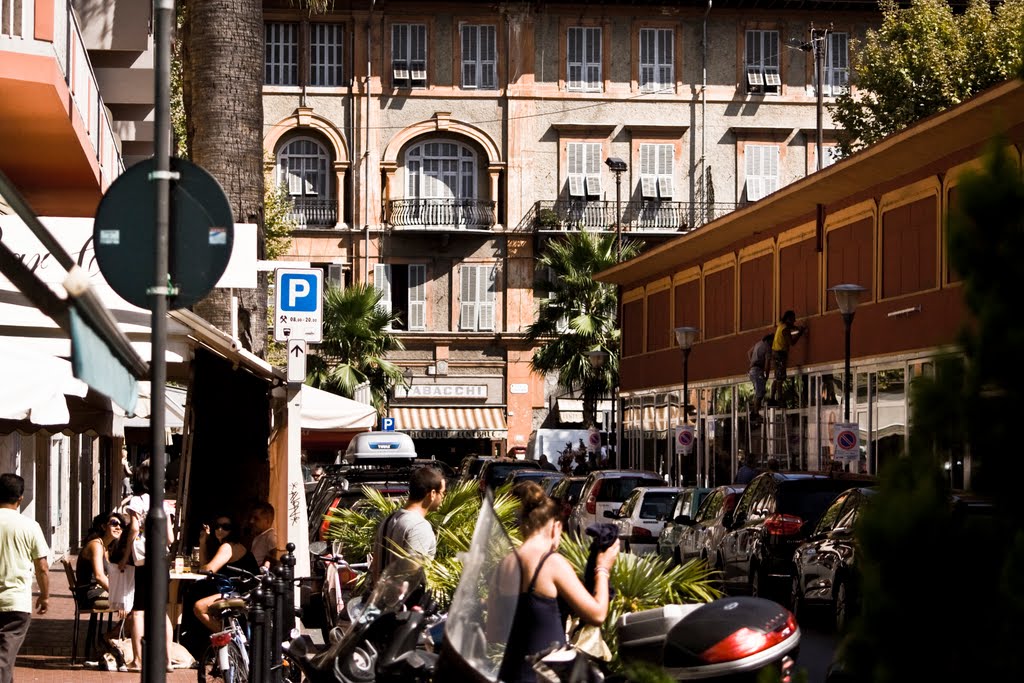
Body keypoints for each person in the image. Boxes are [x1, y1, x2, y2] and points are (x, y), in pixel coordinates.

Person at [495, 481, 618, 683]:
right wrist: (602, 568)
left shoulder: (504, 565)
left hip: (511, 672)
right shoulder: (552, 563)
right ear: (556, 527)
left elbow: (495, 631)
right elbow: (597, 614)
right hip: (546, 674)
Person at [118, 462, 174, 673]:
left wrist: (125, 556)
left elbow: (133, 528)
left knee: (139, 611)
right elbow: (170, 538)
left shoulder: (136, 501)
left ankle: (138, 660)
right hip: (161, 560)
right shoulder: (163, 503)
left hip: (143, 561)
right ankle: (167, 661)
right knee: (162, 612)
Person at [0, 474, 49, 683]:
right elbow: (43, 567)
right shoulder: (30, 526)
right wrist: (45, 596)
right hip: (16, 604)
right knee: (4, 658)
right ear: (20, 498)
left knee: (5, 660)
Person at [369, 466, 445, 589]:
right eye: (442, 493)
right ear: (432, 494)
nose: (443, 498)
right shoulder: (420, 527)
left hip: (380, 600)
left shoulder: (389, 519)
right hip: (403, 606)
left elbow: (376, 566)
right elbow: (410, 576)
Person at [193, 514, 259, 632]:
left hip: (242, 593)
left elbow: (208, 570)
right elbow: (205, 568)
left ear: (233, 530)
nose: (220, 529)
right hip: (238, 591)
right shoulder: (227, 545)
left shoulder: (227, 547)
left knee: (199, 607)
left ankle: (228, 639)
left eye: (225, 527)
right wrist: (203, 542)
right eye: (217, 526)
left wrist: (204, 568)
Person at [76, 512, 125, 609]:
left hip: (98, 591)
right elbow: (99, 576)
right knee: (134, 603)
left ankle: (120, 625)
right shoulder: (96, 545)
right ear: (103, 526)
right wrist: (119, 596)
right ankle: (120, 625)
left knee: (134, 599)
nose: (118, 527)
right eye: (114, 523)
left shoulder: (107, 547)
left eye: (121, 525)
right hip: (91, 595)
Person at [767, 310, 807, 405]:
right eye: (793, 319)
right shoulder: (785, 329)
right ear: (788, 319)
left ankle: (772, 398)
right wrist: (800, 332)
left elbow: (791, 326)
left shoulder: (781, 325)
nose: (794, 321)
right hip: (780, 354)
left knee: (777, 377)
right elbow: (791, 342)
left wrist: (796, 328)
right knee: (780, 377)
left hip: (775, 353)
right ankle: (780, 399)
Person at [748, 334, 773, 420]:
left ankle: (754, 412)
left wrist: (751, 362)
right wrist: (766, 375)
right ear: (770, 340)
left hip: (752, 370)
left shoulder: (758, 344)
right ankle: (755, 413)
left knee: (759, 392)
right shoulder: (767, 347)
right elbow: (767, 364)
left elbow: (749, 352)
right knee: (760, 392)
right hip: (758, 370)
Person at [248, 502, 280, 569]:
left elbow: (273, 556)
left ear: (267, 521)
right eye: (251, 518)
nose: (251, 521)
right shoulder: (259, 535)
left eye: (256, 519)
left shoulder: (270, 536)